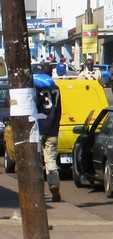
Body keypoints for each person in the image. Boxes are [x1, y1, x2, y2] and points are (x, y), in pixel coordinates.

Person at [34, 71, 62, 202]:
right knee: (51, 160)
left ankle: (37, 190)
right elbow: (59, 111)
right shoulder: (57, 90)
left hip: (39, 129)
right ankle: (54, 185)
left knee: (35, 161)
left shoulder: (37, 89)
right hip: (52, 130)